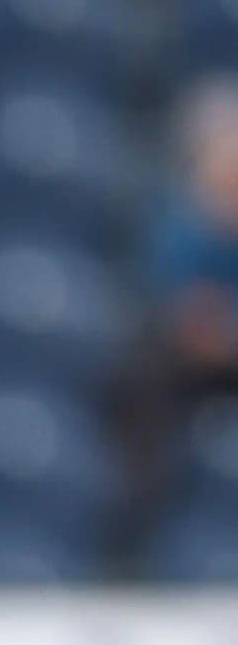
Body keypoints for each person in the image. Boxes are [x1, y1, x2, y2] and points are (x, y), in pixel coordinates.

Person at [119, 78, 238, 550]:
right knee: (146, 383)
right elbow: (190, 324)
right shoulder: (184, 229)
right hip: (195, 362)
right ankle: (139, 530)